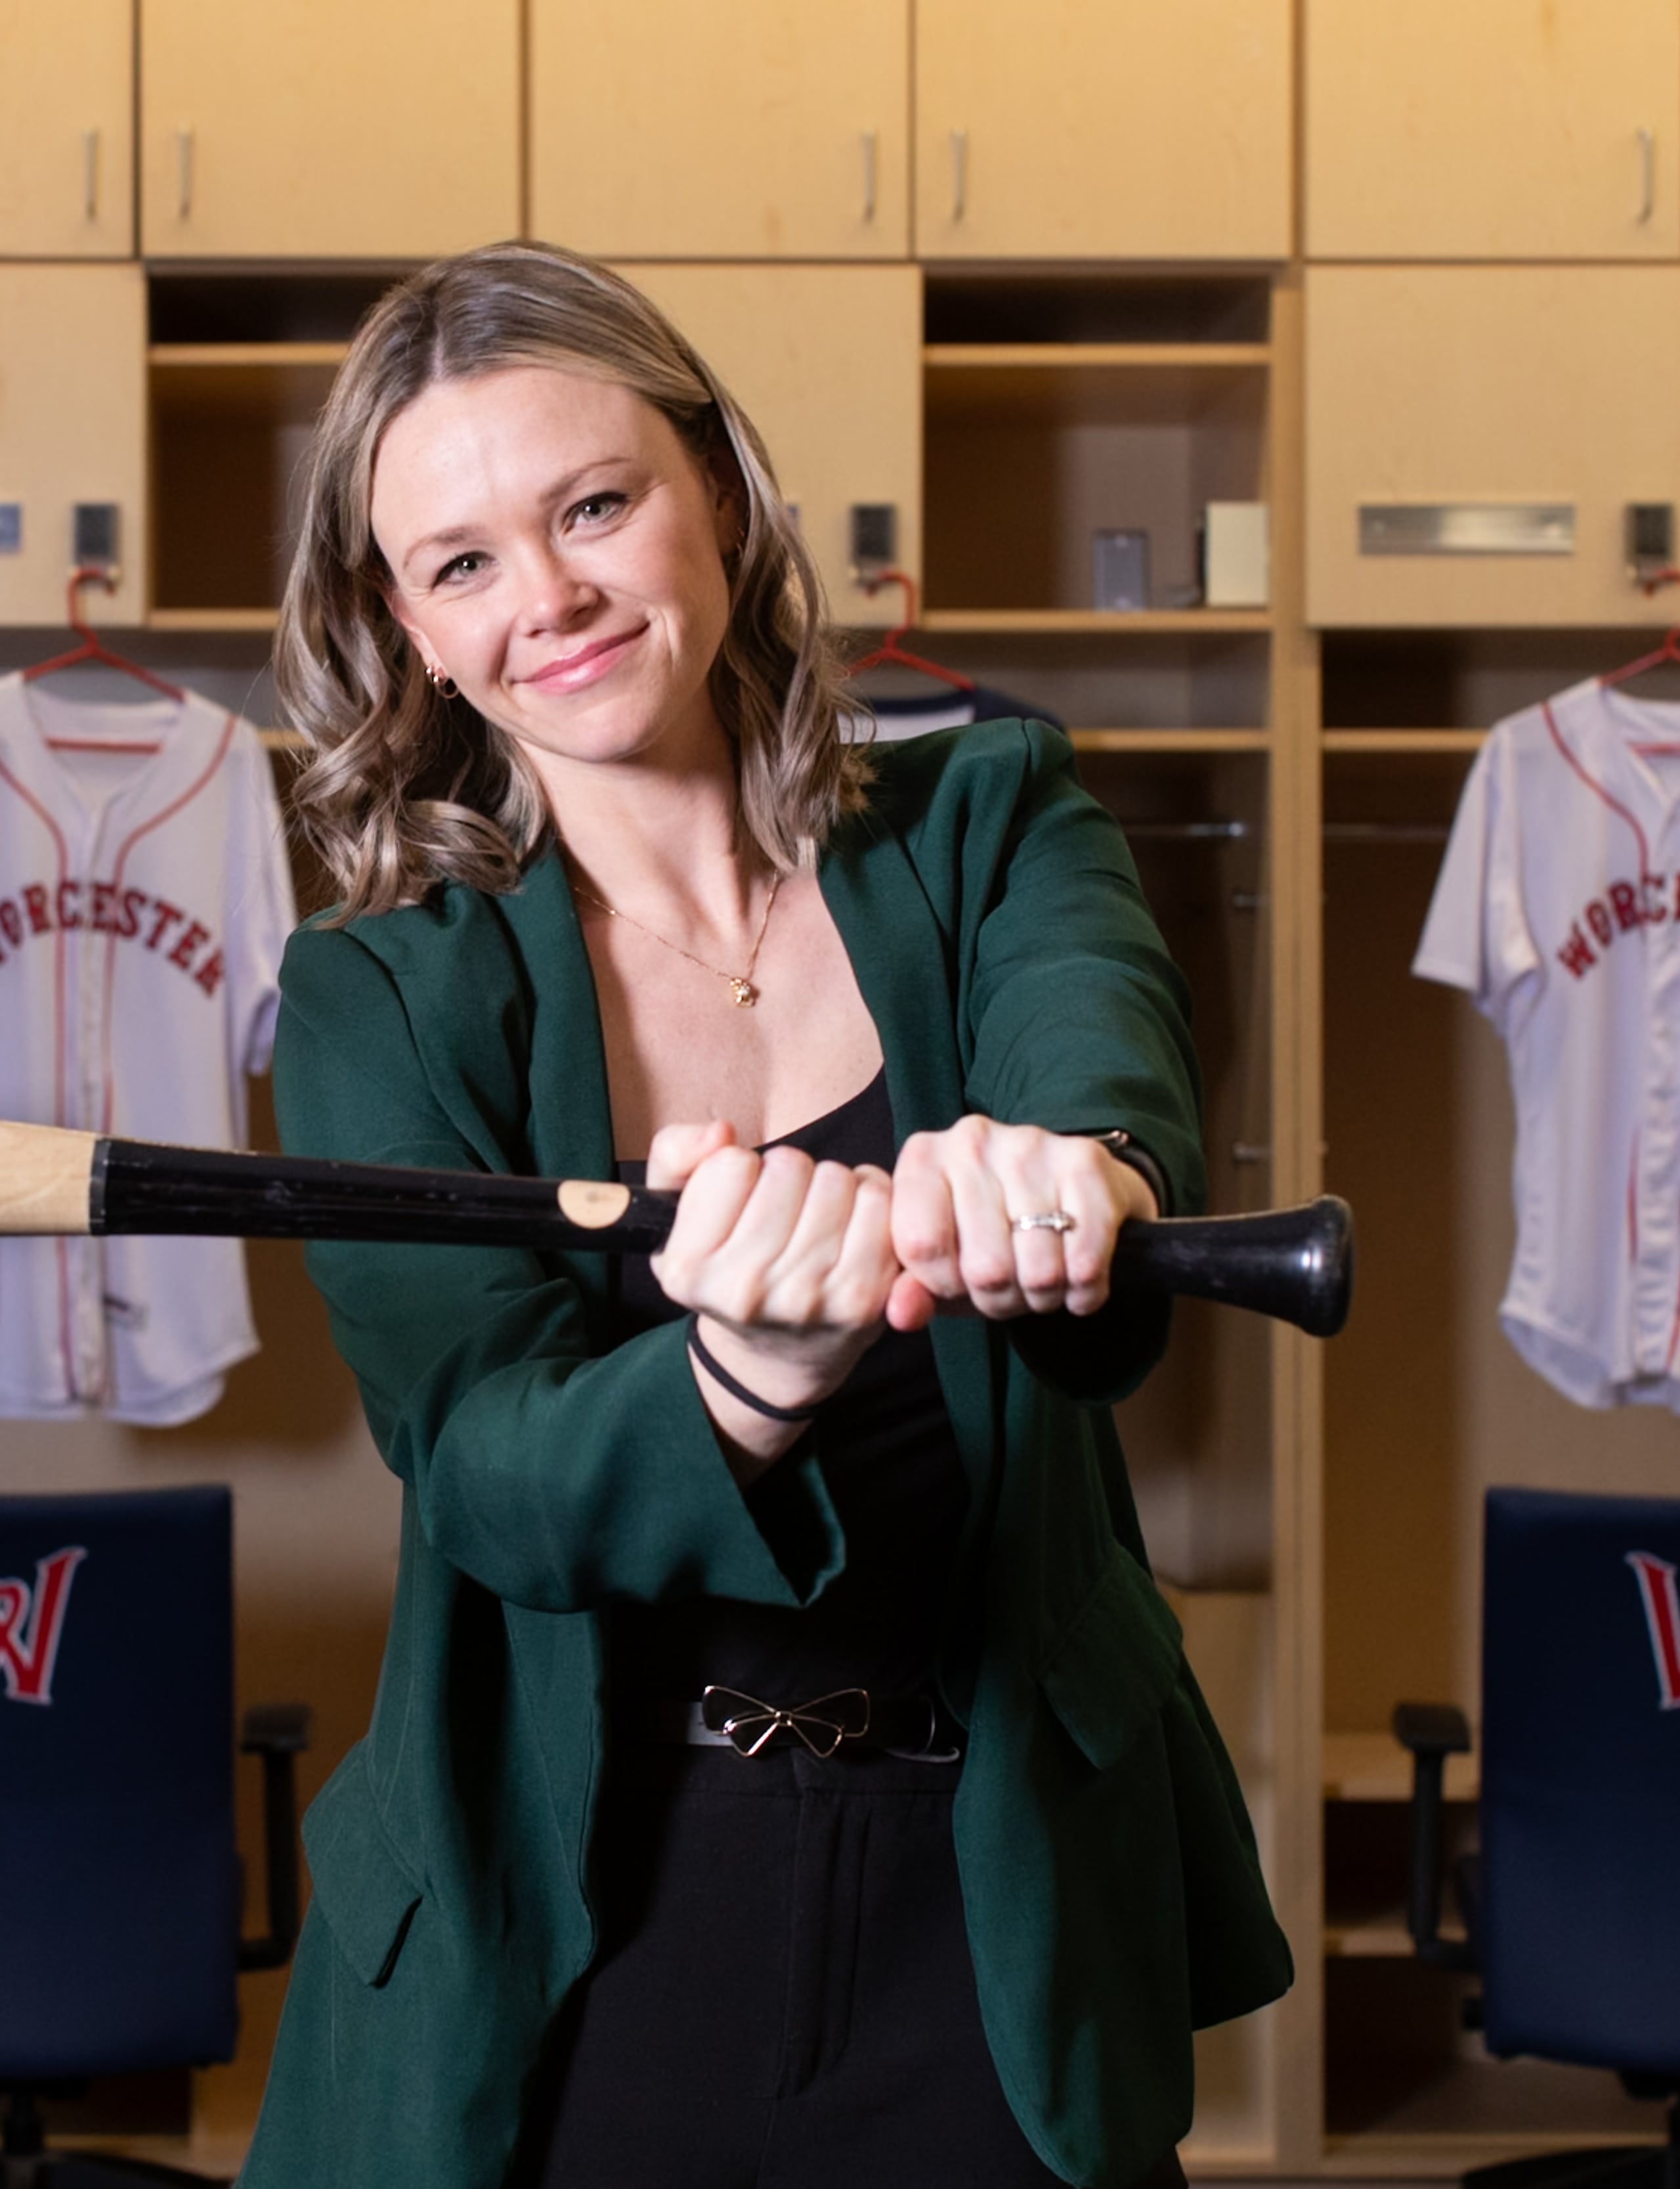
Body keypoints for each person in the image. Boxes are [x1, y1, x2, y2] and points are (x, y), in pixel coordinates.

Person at [247, 242, 1289, 2189]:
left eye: (593, 505)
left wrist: (1081, 1178)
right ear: (404, 622)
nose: (544, 598)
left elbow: (1105, 1081)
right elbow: (483, 1469)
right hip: (588, 1906)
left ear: (717, 486)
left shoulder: (995, 820)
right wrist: (748, 1374)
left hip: (994, 1898)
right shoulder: (382, 994)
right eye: (460, 561)